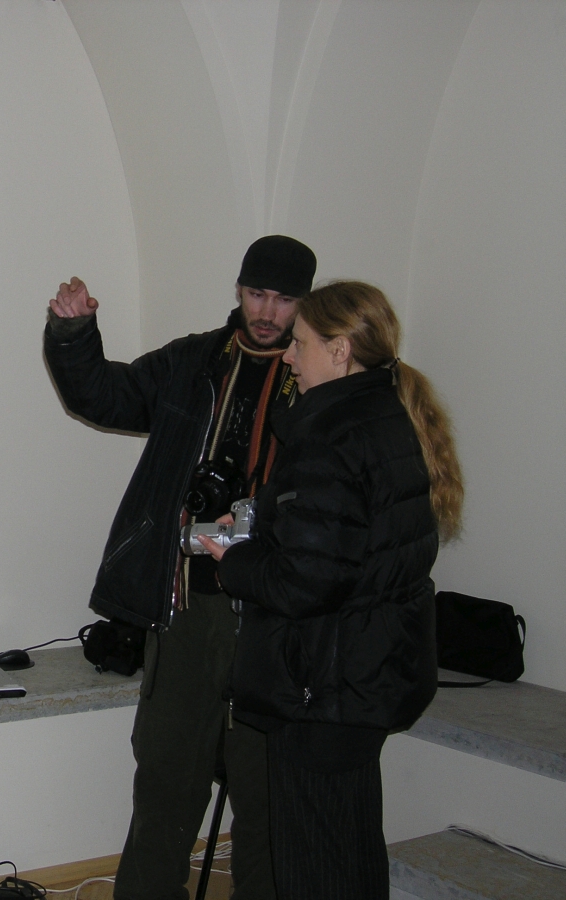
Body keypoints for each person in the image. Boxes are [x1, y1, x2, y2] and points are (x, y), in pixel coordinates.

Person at [45, 235, 318, 900]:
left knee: (266, 799)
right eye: (256, 293)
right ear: (238, 290)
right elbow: (104, 396)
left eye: (283, 300)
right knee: (165, 782)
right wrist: (74, 334)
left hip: (275, 620)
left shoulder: (317, 379)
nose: (267, 312)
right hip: (189, 606)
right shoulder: (195, 361)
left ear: (305, 304)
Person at [202, 281, 464, 900]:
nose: (290, 356)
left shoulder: (330, 434)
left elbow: (306, 581)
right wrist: (267, 524)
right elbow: (349, 545)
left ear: (340, 350)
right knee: (351, 853)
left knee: (315, 869)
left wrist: (234, 561)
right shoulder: (387, 417)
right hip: (365, 676)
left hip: (322, 685)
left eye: (301, 343)